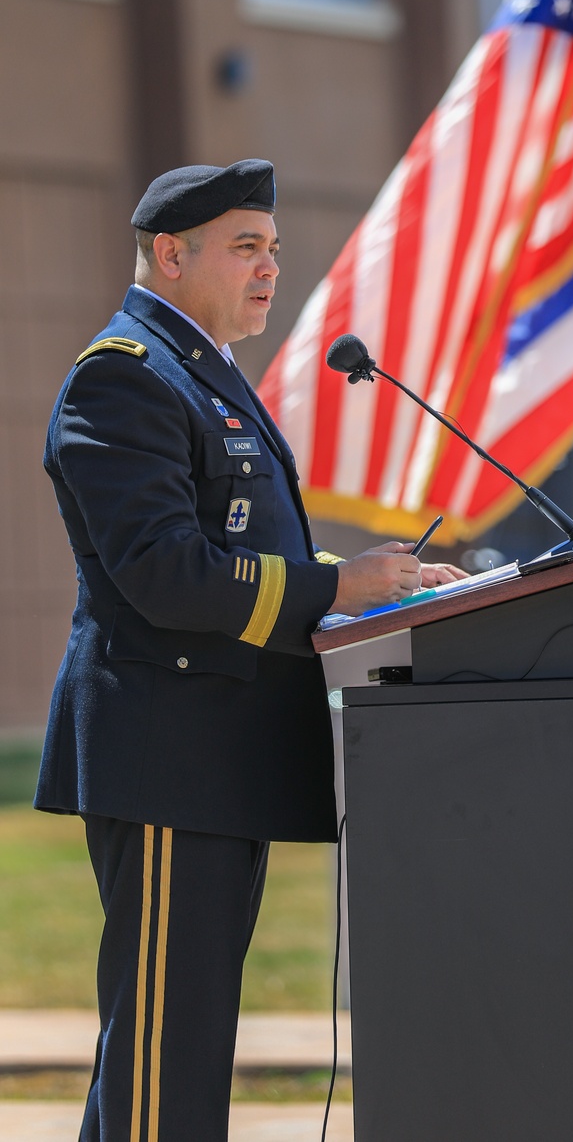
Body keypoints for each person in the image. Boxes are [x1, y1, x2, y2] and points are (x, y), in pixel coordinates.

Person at [35, 158, 462, 1141]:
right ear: (170, 254)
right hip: (167, 760)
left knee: (180, 1047)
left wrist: (372, 590)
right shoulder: (124, 378)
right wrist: (333, 588)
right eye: (245, 247)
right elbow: (163, 572)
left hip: (217, 759)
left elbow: (245, 554)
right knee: (162, 1053)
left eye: (272, 248)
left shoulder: (204, 374)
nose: (270, 268)